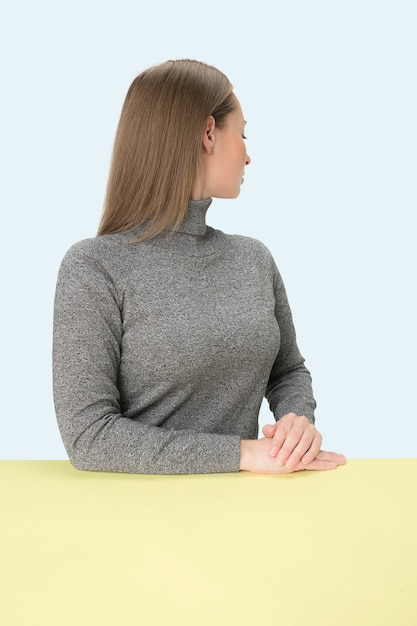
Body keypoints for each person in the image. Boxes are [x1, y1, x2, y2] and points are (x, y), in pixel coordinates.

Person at [53, 59, 345, 475]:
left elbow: (289, 371)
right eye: (241, 133)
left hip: (252, 513)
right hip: (136, 524)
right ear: (209, 133)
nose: (248, 155)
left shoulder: (253, 259)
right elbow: (89, 437)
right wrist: (242, 454)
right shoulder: (94, 267)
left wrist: (295, 425)